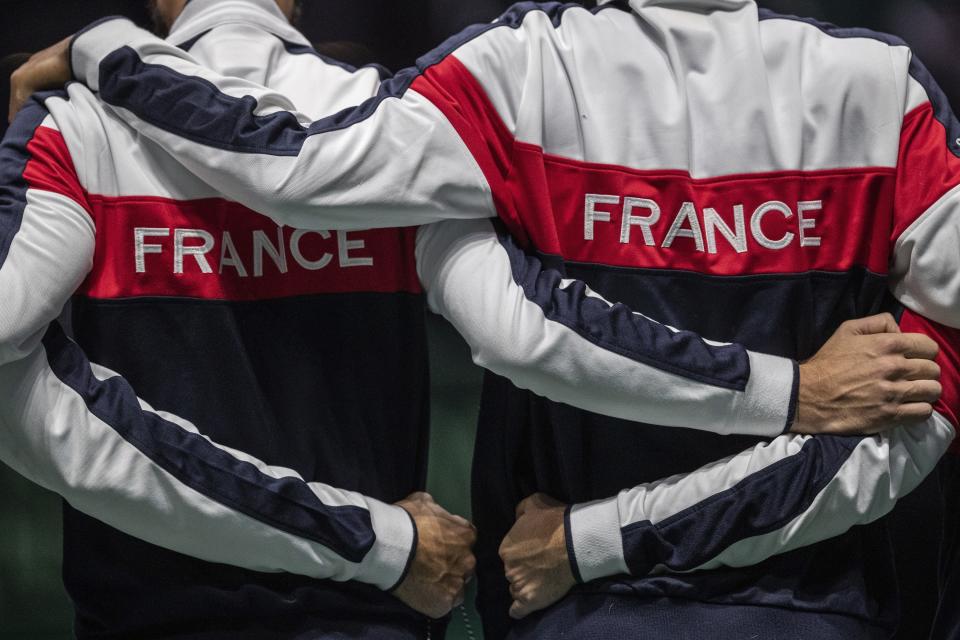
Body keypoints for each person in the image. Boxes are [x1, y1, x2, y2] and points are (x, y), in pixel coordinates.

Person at [5, 0, 956, 637]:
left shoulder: (501, 77)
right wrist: (791, 395)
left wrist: (102, 49)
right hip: (797, 602)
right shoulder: (890, 88)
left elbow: (294, 164)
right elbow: (932, 405)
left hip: (554, 603)